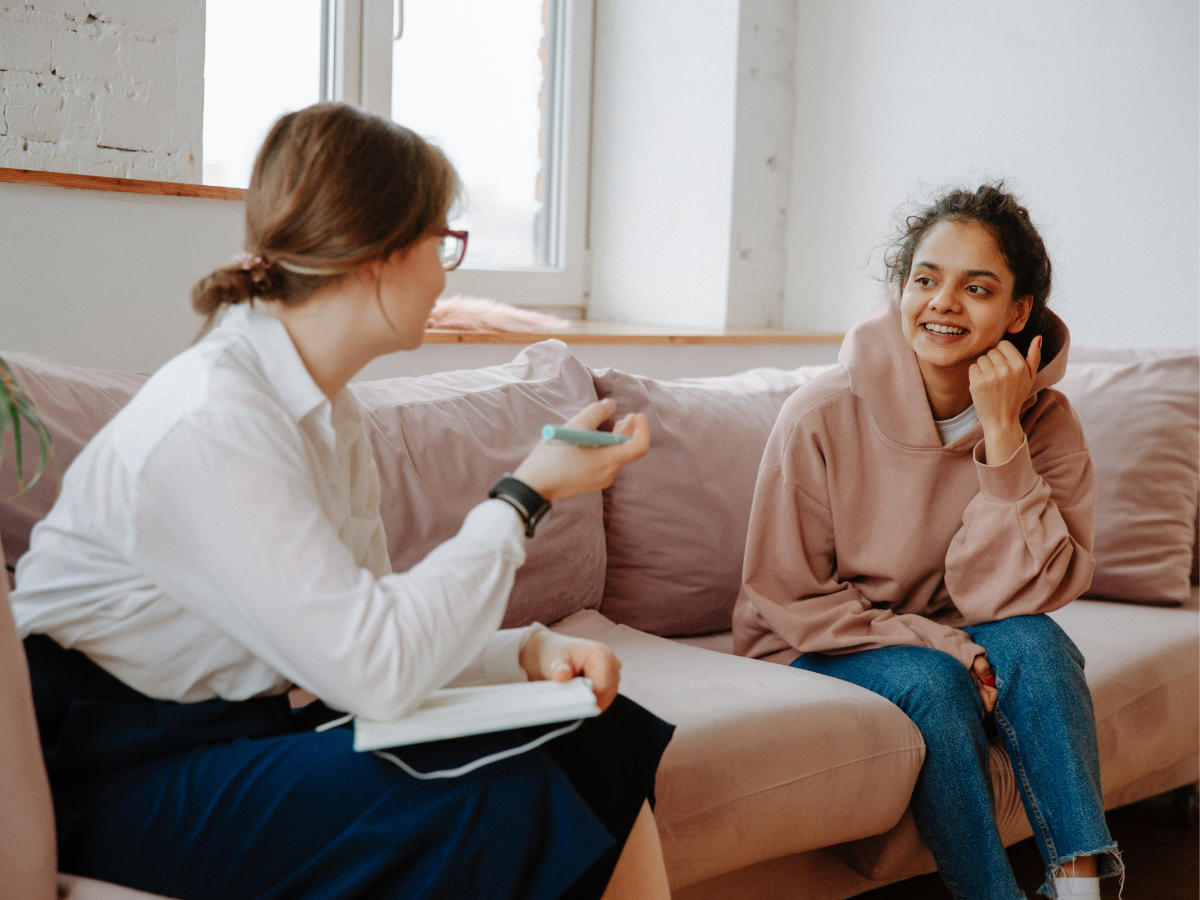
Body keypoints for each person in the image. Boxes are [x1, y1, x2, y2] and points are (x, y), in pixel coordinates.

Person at [10, 102, 674, 900]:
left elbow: (364, 627)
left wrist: (523, 654)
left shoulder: (329, 410)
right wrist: (524, 494)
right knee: (492, 796)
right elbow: (376, 671)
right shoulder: (217, 416)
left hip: (230, 733)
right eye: (444, 242)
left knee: (595, 735)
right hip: (107, 771)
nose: (447, 269)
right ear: (378, 255)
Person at [733, 184, 1119, 900]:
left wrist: (1003, 439)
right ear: (900, 291)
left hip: (951, 629)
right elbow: (785, 595)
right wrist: (942, 643)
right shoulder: (819, 413)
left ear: (1018, 312)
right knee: (936, 684)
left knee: (1036, 641)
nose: (943, 302)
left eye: (977, 288)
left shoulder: (1047, 423)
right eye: (925, 279)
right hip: (815, 642)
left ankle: (1082, 883)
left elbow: (1020, 596)